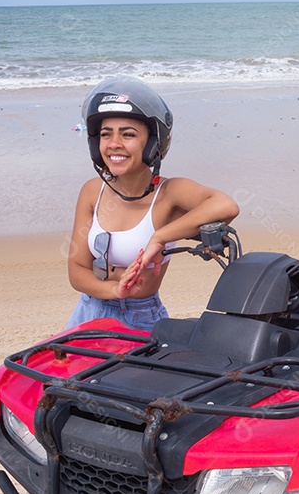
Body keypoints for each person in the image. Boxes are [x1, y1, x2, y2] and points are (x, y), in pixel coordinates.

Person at [66, 76, 239, 330]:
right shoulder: (93, 191)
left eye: (128, 134)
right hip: (88, 309)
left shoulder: (169, 193)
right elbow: (77, 269)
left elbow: (226, 206)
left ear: (152, 143)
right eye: (106, 134)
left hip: (139, 317)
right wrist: (115, 289)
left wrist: (159, 238)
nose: (114, 144)